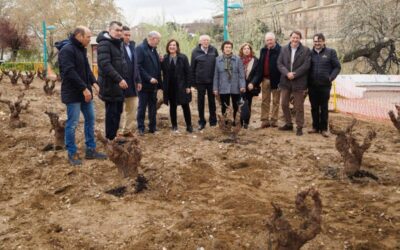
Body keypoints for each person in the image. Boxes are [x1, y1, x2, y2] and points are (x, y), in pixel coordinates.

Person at [57, 26, 106, 166]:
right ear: (79, 35)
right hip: (73, 94)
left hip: (85, 93)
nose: (89, 40)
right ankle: (72, 152)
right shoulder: (67, 50)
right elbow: (69, 72)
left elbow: (87, 70)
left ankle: (90, 150)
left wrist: (95, 84)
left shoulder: (80, 49)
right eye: (88, 37)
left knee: (90, 119)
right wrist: (84, 88)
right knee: (72, 124)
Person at [97, 21, 128, 140]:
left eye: (121, 30)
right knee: (111, 114)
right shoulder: (104, 44)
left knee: (118, 112)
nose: (119, 32)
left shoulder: (118, 43)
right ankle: (110, 140)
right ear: (109, 30)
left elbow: (122, 64)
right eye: (116, 30)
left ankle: (114, 137)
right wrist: (119, 79)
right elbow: (105, 65)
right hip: (110, 85)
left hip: (119, 86)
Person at [277, 30, 311, 136]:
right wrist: (287, 73)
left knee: (299, 106)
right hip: (285, 81)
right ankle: (288, 123)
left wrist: (294, 74)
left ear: (300, 39)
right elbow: (279, 63)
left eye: (297, 38)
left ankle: (299, 126)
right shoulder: (283, 49)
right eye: (293, 37)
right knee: (283, 104)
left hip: (299, 82)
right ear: (290, 38)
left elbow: (306, 65)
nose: (295, 39)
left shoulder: (306, 50)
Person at [308, 33, 341, 137]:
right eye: (315, 41)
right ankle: (315, 127)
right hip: (312, 85)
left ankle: (323, 129)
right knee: (314, 107)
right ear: (313, 42)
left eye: (319, 41)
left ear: (323, 41)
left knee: (324, 107)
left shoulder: (330, 52)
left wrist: (330, 77)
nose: (317, 43)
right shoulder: (309, 53)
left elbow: (337, 67)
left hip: (325, 85)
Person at [161, 39, 193, 133]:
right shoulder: (164, 58)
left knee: (185, 106)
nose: (172, 47)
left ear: (177, 47)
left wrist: (188, 86)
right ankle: (174, 126)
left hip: (182, 86)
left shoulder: (183, 57)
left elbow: (188, 73)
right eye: (170, 45)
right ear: (168, 47)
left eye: (174, 45)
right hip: (170, 87)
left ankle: (189, 125)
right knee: (172, 107)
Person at [251, 32, 282, 128]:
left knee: (276, 101)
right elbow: (261, 65)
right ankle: (264, 120)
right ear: (265, 41)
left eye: (271, 40)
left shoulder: (280, 50)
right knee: (265, 101)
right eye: (267, 40)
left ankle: (274, 120)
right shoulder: (263, 50)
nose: (269, 42)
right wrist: (256, 81)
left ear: (275, 40)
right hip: (265, 79)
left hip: (277, 80)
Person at [136, 31, 162, 135]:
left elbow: (155, 65)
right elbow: (138, 66)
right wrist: (149, 78)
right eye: (158, 40)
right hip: (144, 84)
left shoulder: (153, 49)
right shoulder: (140, 48)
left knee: (152, 106)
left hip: (153, 85)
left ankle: (152, 127)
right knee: (142, 107)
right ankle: (141, 128)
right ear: (152, 38)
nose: (159, 42)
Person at [191, 34, 219, 130]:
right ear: (200, 42)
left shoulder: (214, 50)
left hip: (211, 81)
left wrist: (217, 80)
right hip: (200, 82)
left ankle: (213, 122)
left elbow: (217, 65)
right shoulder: (195, 52)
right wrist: (193, 83)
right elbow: (192, 68)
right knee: (201, 102)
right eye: (204, 40)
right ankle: (201, 122)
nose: (206, 42)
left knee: (212, 102)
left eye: (207, 40)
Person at [213, 41, 246, 121]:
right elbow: (216, 76)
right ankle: (225, 122)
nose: (228, 49)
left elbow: (241, 75)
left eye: (229, 47)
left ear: (232, 49)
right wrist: (215, 88)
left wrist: (242, 86)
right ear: (223, 49)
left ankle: (235, 121)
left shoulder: (237, 59)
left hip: (235, 87)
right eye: (226, 47)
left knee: (236, 106)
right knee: (224, 106)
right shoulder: (218, 60)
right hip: (223, 87)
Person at [120, 26, 141, 137]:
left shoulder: (132, 47)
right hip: (119, 83)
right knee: (117, 111)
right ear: (121, 35)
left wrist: (139, 80)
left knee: (133, 108)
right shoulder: (117, 47)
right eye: (125, 35)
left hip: (132, 83)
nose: (127, 37)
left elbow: (135, 66)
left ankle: (126, 131)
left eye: (129, 35)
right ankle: (114, 134)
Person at [238, 42, 259, 128]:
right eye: (244, 49)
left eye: (248, 48)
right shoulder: (237, 59)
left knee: (248, 104)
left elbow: (257, 74)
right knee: (239, 103)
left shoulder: (255, 60)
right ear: (242, 50)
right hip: (239, 85)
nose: (246, 50)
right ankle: (240, 121)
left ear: (250, 50)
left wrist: (253, 83)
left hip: (250, 85)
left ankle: (246, 122)